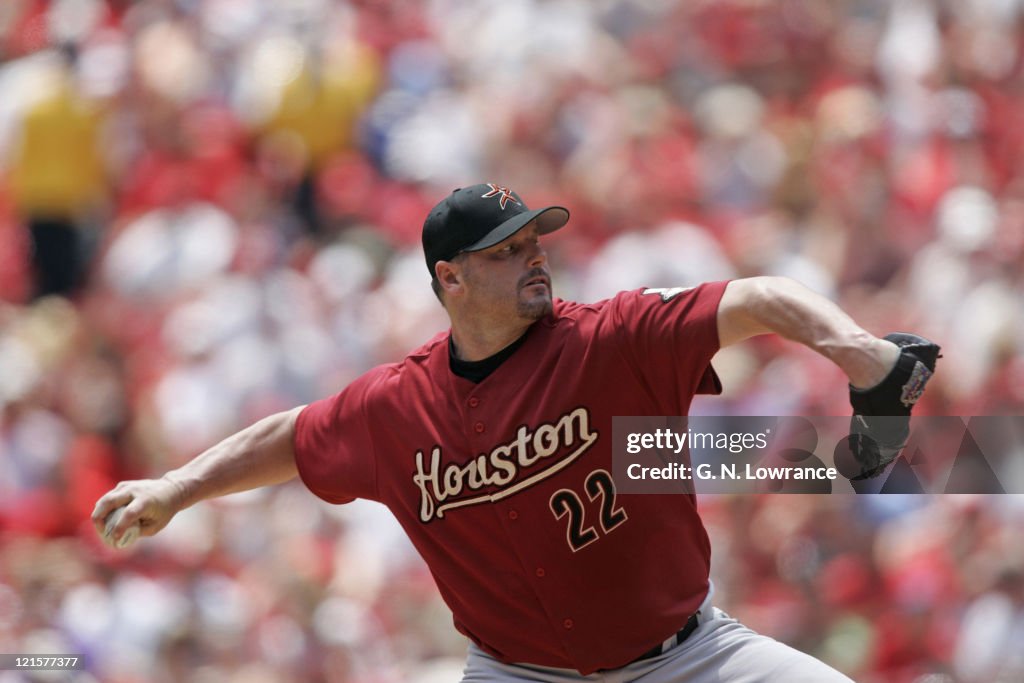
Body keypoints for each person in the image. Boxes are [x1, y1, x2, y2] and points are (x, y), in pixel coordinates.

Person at [93, 183, 933, 682]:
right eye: (505, 250)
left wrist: (857, 353)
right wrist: (175, 486)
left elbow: (755, 297)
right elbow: (293, 434)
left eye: (534, 240)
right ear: (449, 279)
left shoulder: (610, 338)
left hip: (687, 658)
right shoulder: (398, 406)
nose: (534, 256)